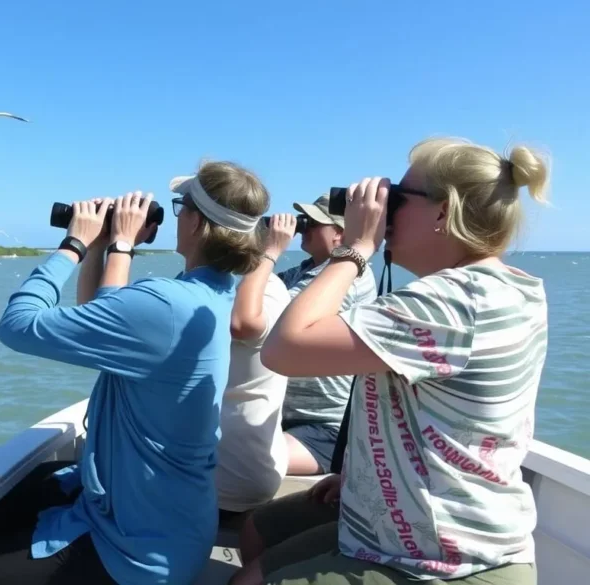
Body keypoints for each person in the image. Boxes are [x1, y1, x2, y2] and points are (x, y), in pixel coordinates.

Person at [229, 136, 549, 585]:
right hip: (429, 517)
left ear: (443, 211)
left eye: (397, 198)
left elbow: (282, 349)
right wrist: (362, 476)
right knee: (259, 532)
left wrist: (356, 249)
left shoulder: (454, 300)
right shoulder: (508, 287)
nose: (384, 211)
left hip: (443, 555)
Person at [0, 161, 272, 585]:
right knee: (9, 508)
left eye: (181, 207)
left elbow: (16, 326)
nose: (177, 216)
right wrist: (107, 246)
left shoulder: (166, 304)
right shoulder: (211, 293)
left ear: (197, 222)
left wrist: (75, 243)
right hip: (172, 514)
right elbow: (101, 317)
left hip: (143, 550)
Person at [277, 194, 377, 476]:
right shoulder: (305, 269)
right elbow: (248, 301)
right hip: (285, 417)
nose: (303, 228)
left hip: (324, 427)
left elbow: (274, 317)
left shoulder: (349, 276)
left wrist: (268, 253)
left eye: (312, 222)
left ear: (340, 234)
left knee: (245, 461)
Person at [215, 213, 296, 518]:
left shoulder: (266, 289)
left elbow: (243, 323)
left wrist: (270, 253)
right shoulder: (239, 287)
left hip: (233, 475)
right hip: (243, 465)